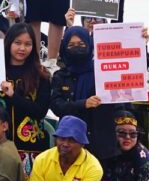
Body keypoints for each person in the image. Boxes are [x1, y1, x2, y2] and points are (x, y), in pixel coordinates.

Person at [50, 27, 119, 161]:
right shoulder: (60, 76)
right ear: (64, 48)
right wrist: (83, 104)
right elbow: (56, 106)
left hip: (101, 143)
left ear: (89, 45)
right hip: (70, 144)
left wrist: (142, 43)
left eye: (81, 45)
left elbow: (131, 69)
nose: (77, 48)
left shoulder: (104, 71)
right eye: (71, 45)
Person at [0, 23, 51, 151]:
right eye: (17, 43)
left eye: (28, 44)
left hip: (30, 146)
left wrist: (13, 96)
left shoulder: (40, 75)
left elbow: (40, 111)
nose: (22, 48)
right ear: (9, 43)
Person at [28, 115, 102, 181]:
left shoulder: (93, 168)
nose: (65, 144)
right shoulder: (41, 160)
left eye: (72, 140)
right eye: (62, 138)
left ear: (82, 144)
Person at [98, 109, 149, 181]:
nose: (127, 137)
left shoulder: (143, 158)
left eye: (133, 134)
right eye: (122, 133)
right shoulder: (101, 150)